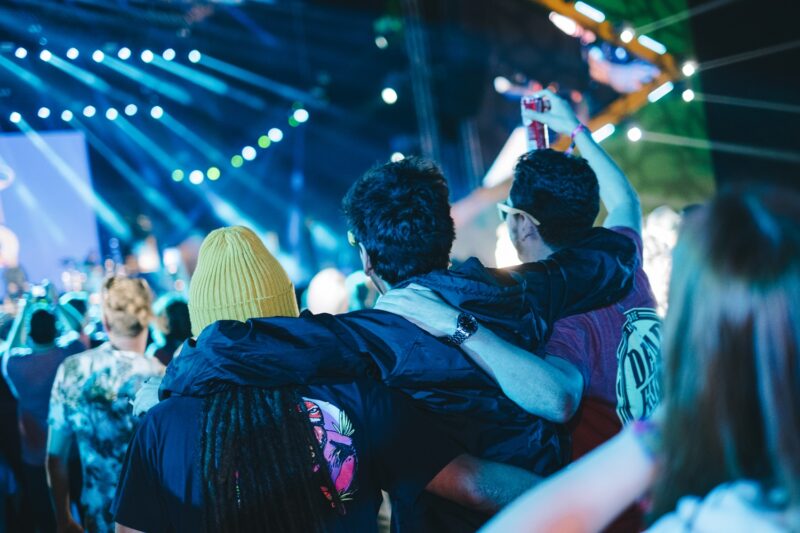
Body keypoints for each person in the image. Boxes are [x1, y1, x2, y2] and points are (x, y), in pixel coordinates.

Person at [152, 157, 640, 531]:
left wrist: (166, 387)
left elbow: (236, 345)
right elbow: (616, 253)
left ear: (365, 257)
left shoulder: (373, 335)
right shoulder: (521, 290)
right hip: (549, 511)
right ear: (445, 233)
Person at [113, 226, 543, 533]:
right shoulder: (356, 398)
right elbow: (476, 486)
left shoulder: (161, 425)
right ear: (287, 310)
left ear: (200, 325)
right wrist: (591, 489)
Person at [480, 185, 800, 533]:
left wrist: (461, 329)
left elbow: (558, 399)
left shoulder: (724, 519)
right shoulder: (626, 276)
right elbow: (625, 201)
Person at [47, 276, 164, 533]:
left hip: (99, 515)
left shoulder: (73, 370)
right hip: (152, 518)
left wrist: (63, 518)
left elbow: (55, 458)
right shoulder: (163, 379)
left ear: (107, 322)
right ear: (146, 320)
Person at [2, 291, 85, 533]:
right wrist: (57, 302)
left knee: (47, 519)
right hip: (71, 451)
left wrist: (24, 311)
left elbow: (9, 348)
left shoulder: (17, 365)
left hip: (36, 455)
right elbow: (78, 328)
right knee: (82, 508)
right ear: (55, 328)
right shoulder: (68, 355)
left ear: (30, 331)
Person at [146, 294, 191, 366]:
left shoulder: (159, 356)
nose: (156, 317)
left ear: (167, 328)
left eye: (161, 314)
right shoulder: (195, 347)